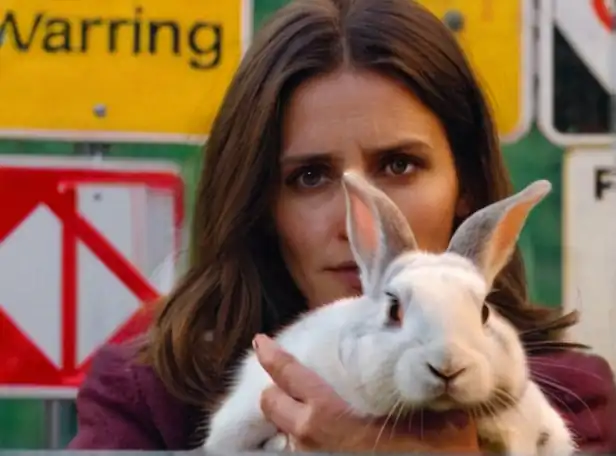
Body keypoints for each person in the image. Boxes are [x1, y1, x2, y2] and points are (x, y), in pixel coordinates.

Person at [67, 0, 616, 451]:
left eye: (400, 166)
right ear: (260, 202)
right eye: (309, 176)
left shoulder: (568, 401)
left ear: (465, 188)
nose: (355, 221)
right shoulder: (149, 395)